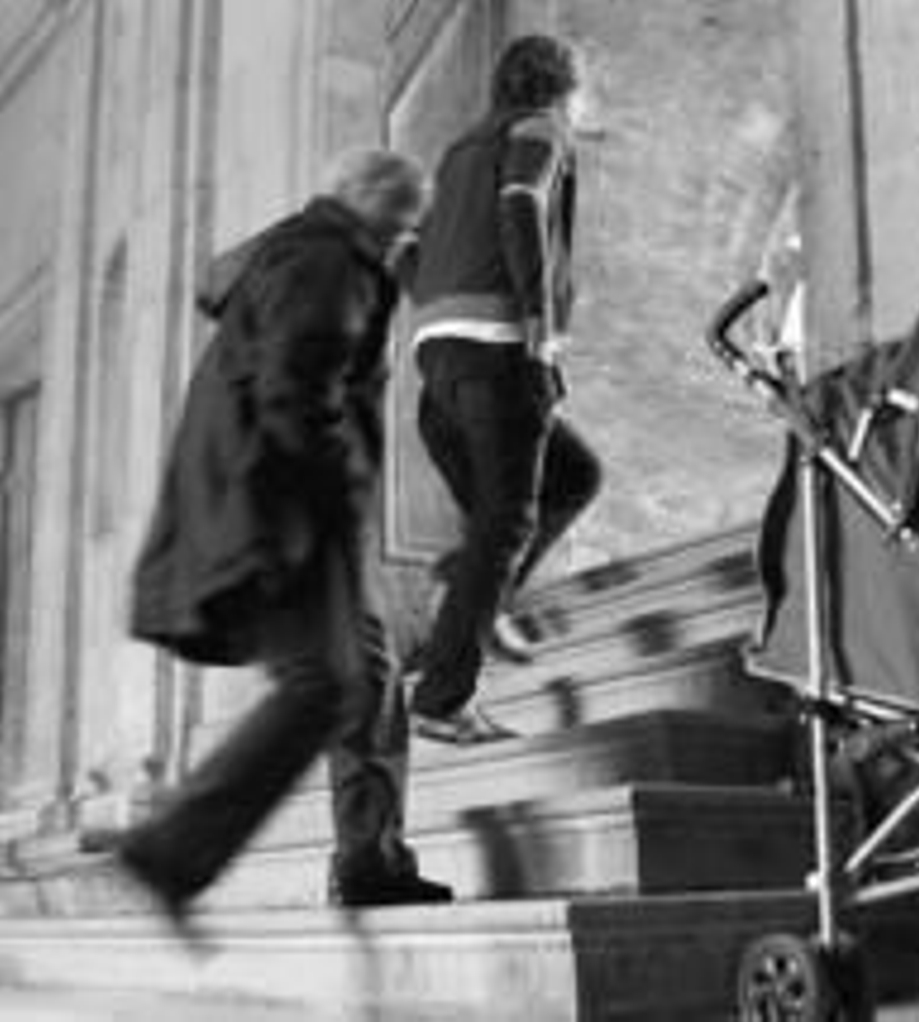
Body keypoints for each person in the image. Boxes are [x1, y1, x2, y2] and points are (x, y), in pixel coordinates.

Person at [115, 149, 452, 925]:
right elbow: (296, 392)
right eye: (405, 221)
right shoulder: (330, 261)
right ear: (374, 205)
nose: (407, 238)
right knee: (324, 685)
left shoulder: (307, 253)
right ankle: (169, 849)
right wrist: (344, 485)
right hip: (285, 509)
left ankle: (370, 859)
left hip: (281, 500)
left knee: (365, 670)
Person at [402, 33, 601, 745]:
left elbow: (408, 248)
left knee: (572, 477)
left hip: (440, 359)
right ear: (560, 86)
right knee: (507, 523)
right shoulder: (540, 130)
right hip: (498, 350)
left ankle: (468, 589)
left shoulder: (460, 151)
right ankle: (441, 700)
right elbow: (522, 205)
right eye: (580, 86)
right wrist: (538, 324)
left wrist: (436, 312)